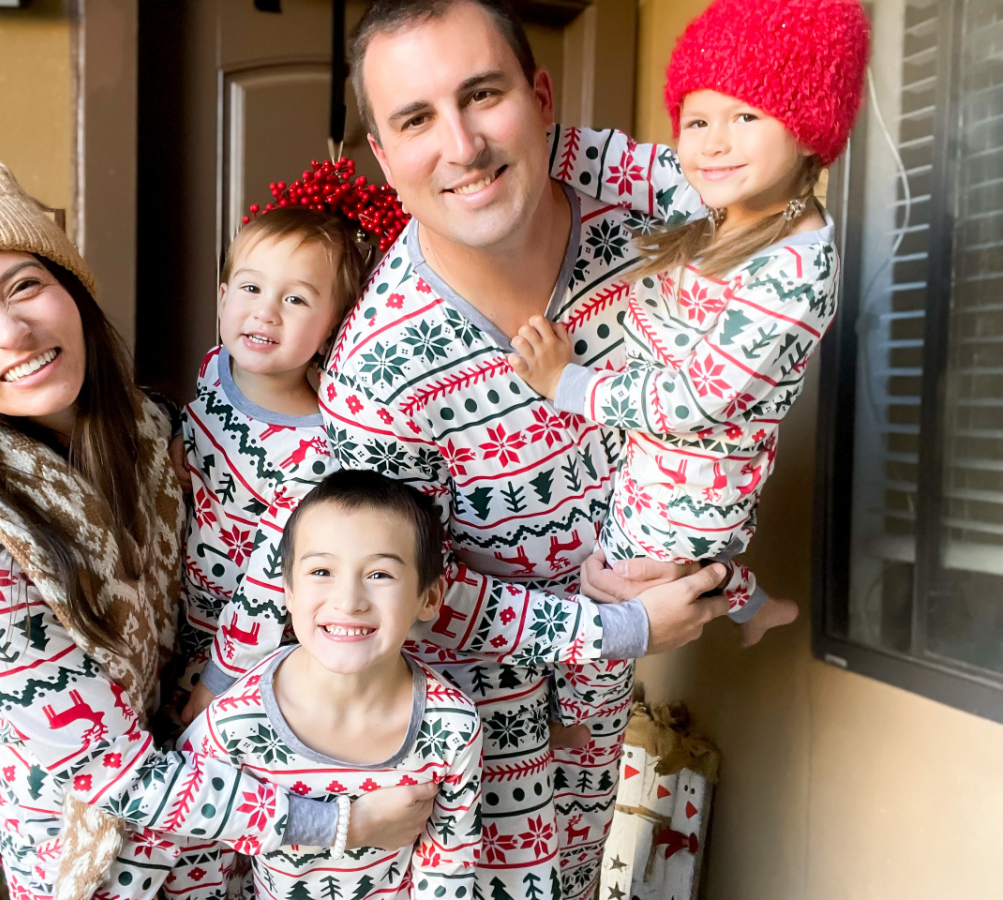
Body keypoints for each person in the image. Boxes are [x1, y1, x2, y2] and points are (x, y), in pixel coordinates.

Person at [0, 87, 438, 900]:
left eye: (23, 286)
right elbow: (116, 776)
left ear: (72, 290)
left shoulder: (163, 432)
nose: (10, 333)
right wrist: (337, 825)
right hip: (96, 864)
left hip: (220, 839)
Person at [323, 3, 733, 899]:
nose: (463, 145)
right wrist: (616, 623)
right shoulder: (379, 371)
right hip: (464, 754)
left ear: (542, 97)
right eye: (416, 119)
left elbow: (765, 208)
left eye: (484, 95)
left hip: (593, 725)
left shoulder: (641, 212)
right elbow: (404, 595)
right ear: (386, 160)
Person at [509, 0, 870, 645]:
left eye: (745, 115)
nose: (713, 142)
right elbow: (623, 164)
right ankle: (752, 604)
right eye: (697, 119)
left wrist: (566, 382)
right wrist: (519, 140)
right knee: (639, 573)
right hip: (655, 456)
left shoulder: (794, 271)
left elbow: (691, 399)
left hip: (697, 486)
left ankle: (583, 719)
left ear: (808, 129)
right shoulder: (722, 194)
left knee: (615, 592)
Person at [173, 469, 482, 900]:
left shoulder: (453, 725)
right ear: (288, 593)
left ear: (428, 598)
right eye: (321, 571)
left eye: (379, 575)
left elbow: (449, 860)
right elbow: (195, 857)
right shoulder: (233, 726)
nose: (348, 601)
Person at [172, 198, 389, 728]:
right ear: (221, 298)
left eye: (295, 299)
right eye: (250, 288)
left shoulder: (316, 452)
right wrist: (183, 442)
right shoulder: (216, 366)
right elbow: (203, 422)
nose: (265, 311)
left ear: (332, 327)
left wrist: (217, 681)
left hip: (245, 640)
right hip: (180, 604)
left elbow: (268, 583)